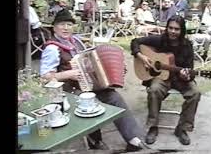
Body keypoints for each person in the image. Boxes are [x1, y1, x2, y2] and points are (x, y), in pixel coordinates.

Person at [40, 9, 148, 152]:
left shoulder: (76, 41)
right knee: (90, 103)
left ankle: (133, 138)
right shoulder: (52, 49)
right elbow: (45, 77)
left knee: (114, 97)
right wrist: (67, 74)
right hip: (68, 90)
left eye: (69, 24)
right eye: (62, 24)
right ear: (54, 27)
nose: (66, 28)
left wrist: (113, 69)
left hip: (88, 84)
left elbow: (89, 62)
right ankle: (95, 141)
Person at [130, 15, 201, 145]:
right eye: (170, 28)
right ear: (167, 28)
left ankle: (182, 129)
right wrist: (141, 57)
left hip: (179, 78)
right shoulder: (159, 40)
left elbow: (190, 69)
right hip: (162, 77)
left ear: (182, 30)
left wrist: (187, 75)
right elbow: (135, 42)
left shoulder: (187, 45)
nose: (173, 31)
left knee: (195, 93)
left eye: (177, 29)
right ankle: (153, 126)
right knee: (154, 89)